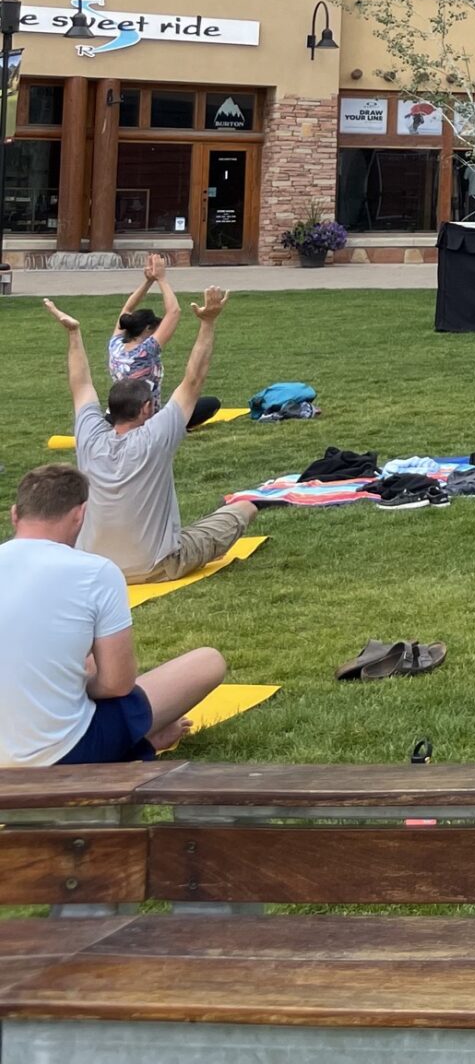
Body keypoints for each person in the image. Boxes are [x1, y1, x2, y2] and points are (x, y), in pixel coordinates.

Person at [0, 464, 229, 767]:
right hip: (62, 754)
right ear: (80, 514)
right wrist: (83, 679)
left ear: (15, 514)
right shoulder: (96, 572)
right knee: (207, 661)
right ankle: (139, 739)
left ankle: (136, 738)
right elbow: (116, 685)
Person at [50, 292, 259, 586]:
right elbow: (194, 380)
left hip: (96, 567)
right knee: (244, 507)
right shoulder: (156, 437)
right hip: (157, 565)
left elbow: (81, 383)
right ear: (147, 408)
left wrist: (74, 333)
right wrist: (208, 323)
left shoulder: (89, 438)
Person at [111, 254, 219, 430]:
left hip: (121, 415)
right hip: (147, 421)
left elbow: (127, 310)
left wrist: (147, 282)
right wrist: (161, 279)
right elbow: (174, 312)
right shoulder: (144, 352)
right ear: (147, 329)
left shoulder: (115, 345)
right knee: (211, 404)